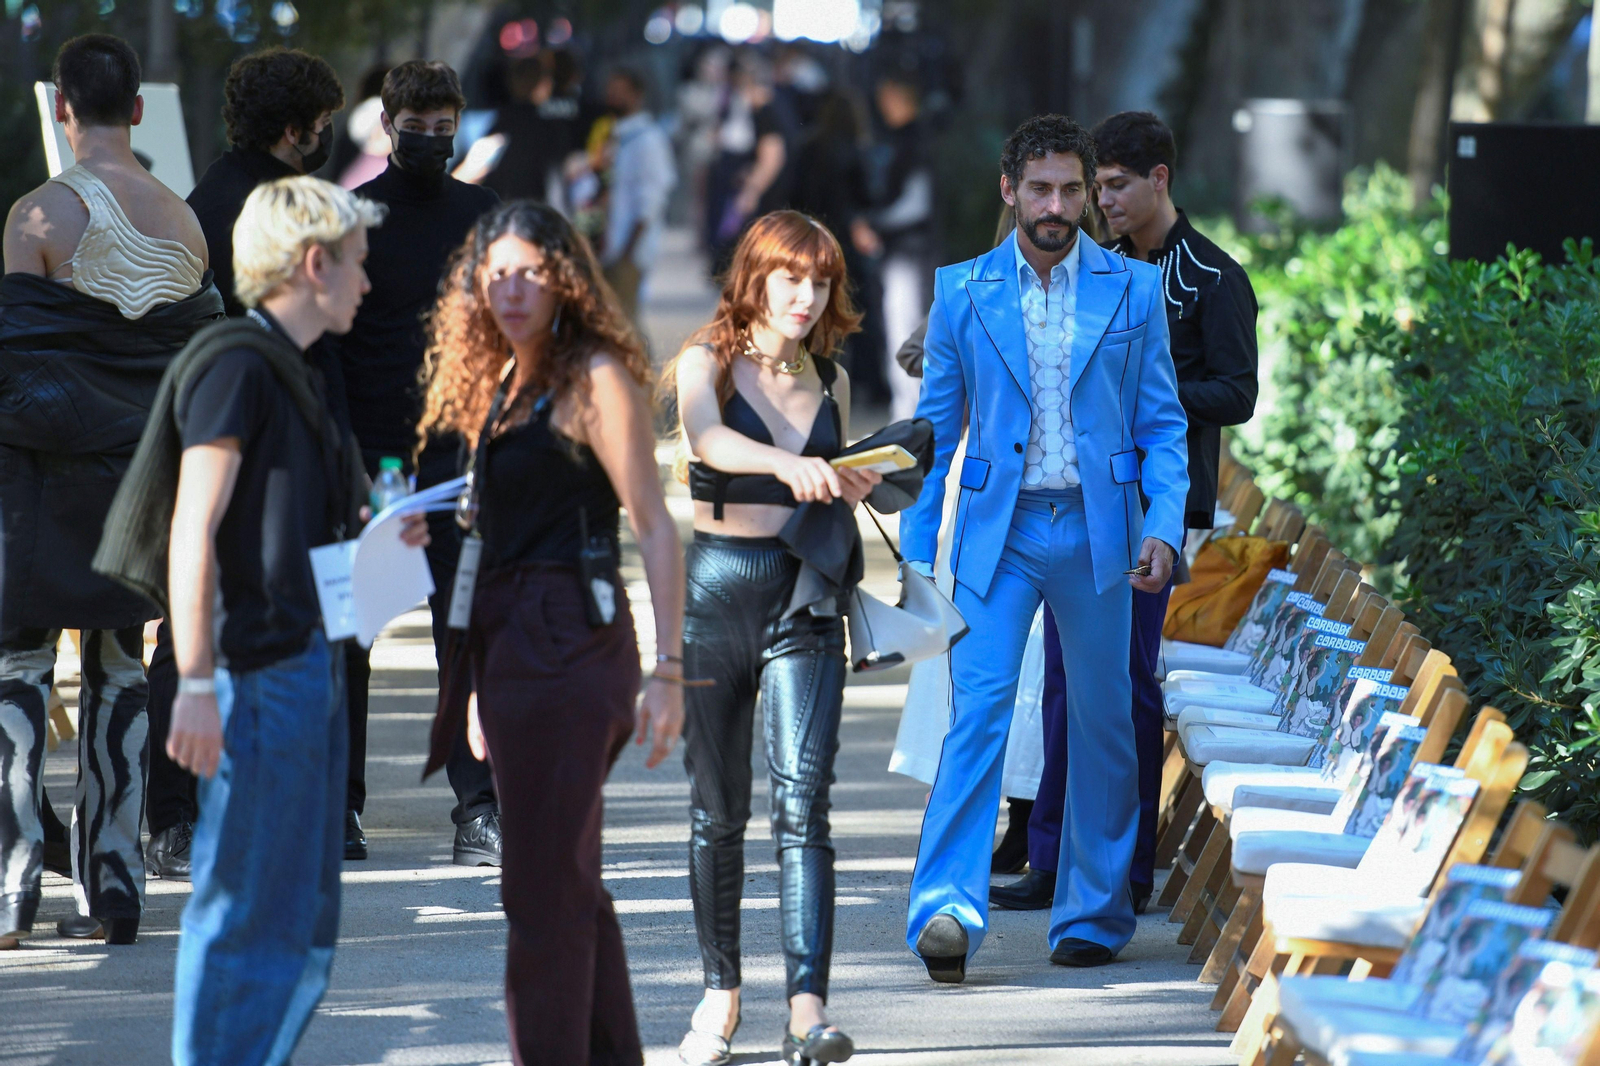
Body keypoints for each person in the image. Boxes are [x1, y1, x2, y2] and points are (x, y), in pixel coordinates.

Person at [92, 176, 421, 1064]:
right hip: (256, 679)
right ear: (314, 263)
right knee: (244, 909)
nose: (367, 280)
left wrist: (386, 549)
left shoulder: (300, 370)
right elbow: (192, 531)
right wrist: (194, 681)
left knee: (302, 916)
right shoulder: (238, 363)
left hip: (303, 668)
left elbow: (291, 542)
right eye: (357, 262)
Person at [899, 114, 1188, 981]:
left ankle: (1094, 911)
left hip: (1104, 534)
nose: (1056, 206)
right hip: (1000, 533)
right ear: (1009, 191)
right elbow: (932, 439)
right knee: (975, 716)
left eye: (1070, 189)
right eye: (1040, 190)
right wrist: (918, 555)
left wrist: (1163, 528)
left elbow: (1164, 426)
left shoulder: (1135, 291)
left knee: (1103, 721)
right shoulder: (962, 291)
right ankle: (945, 910)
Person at [416, 200, 685, 1066]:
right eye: (495, 274)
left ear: (564, 278)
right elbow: (494, 533)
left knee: (540, 892)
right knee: (561, 879)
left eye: (529, 271)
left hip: (572, 637)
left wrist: (670, 668)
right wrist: (474, 689)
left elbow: (652, 525)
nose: (511, 289)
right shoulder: (497, 380)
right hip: (508, 645)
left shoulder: (592, 376)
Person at [991, 111, 1258, 915]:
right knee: (1065, 680)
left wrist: (1150, 398)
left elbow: (1239, 394)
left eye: (1111, 186)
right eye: (1091, 186)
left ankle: (1126, 870)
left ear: (1159, 180)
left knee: (1129, 687)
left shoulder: (1214, 277)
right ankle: (1052, 855)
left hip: (1159, 509)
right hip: (1079, 501)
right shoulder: (1094, 268)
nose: (1097, 201)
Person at [0, 33, 220, 947]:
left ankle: (12, 886)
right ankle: (117, 885)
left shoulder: (38, 218)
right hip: (142, 484)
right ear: (136, 108)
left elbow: (22, 371)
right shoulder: (185, 221)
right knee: (120, 666)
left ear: (61, 108)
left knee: (16, 671)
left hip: (43, 487)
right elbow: (183, 367)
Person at [671, 210, 878, 1066]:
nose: (806, 296)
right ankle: (720, 992)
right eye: (791, 278)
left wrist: (856, 478)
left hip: (805, 599)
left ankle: (807, 1011)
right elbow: (707, 438)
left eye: (821, 281)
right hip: (719, 591)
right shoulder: (705, 362)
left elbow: (834, 477)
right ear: (755, 279)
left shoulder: (830, 378)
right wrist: (784, 465)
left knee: (804, 805)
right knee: (717, 813)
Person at [138, 45, 348, 879]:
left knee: (208, 620)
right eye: (324, 125)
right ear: (296, 130)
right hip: (259, 439)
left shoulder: (197, 201)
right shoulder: (279, 208)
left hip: (228, 432)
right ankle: (198, 814)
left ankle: (175, 817)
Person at [327, 59, 503, 865]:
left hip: (462, 451)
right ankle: (341, 805)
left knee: (463, 632)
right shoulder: (356, 217)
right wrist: (348, 455)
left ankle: (478, 808)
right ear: (387, 125)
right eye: (416, 127)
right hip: (374, 451)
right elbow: (333, 341)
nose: (431, 141)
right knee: (353, 632)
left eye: (444, 128)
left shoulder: (483, 212)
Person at [866, 72, 934, 423]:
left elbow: (917, 203)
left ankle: (910, 411)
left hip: (911, 249)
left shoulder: (915, 141)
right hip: (903, 248)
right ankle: (906, 408)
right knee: (901, 326)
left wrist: (875, 223)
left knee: (906, 328)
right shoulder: (902, 138)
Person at [598, 65, 676, 329]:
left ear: (637, 95)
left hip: (629, 246)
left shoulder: (649, 139)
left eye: (620, 92)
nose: (612, 98)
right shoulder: (614, 135)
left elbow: (652, 198)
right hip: (611, 246)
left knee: (625, 323)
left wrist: (629, 249)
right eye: (611, 92)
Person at [706, 54, 798, 269]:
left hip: (767, 199)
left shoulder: (766, 111)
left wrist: (750, 192)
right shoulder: (772, 108)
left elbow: (772, 157)